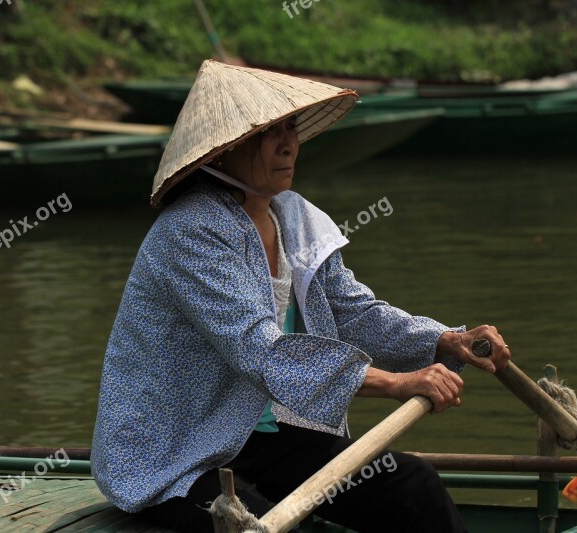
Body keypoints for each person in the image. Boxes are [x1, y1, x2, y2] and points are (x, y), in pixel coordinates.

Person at [91, 60, 511, 533]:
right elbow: (263, 353)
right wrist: (398, 383)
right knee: (260, 524)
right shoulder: (190, 233)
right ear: (222, 149)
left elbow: (353, 311)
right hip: (178, 451)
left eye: (289, 129)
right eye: (268, 134)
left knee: (414, 487)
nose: (288, 144)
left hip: (257, 434)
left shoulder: (293, 218)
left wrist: (445, 341)